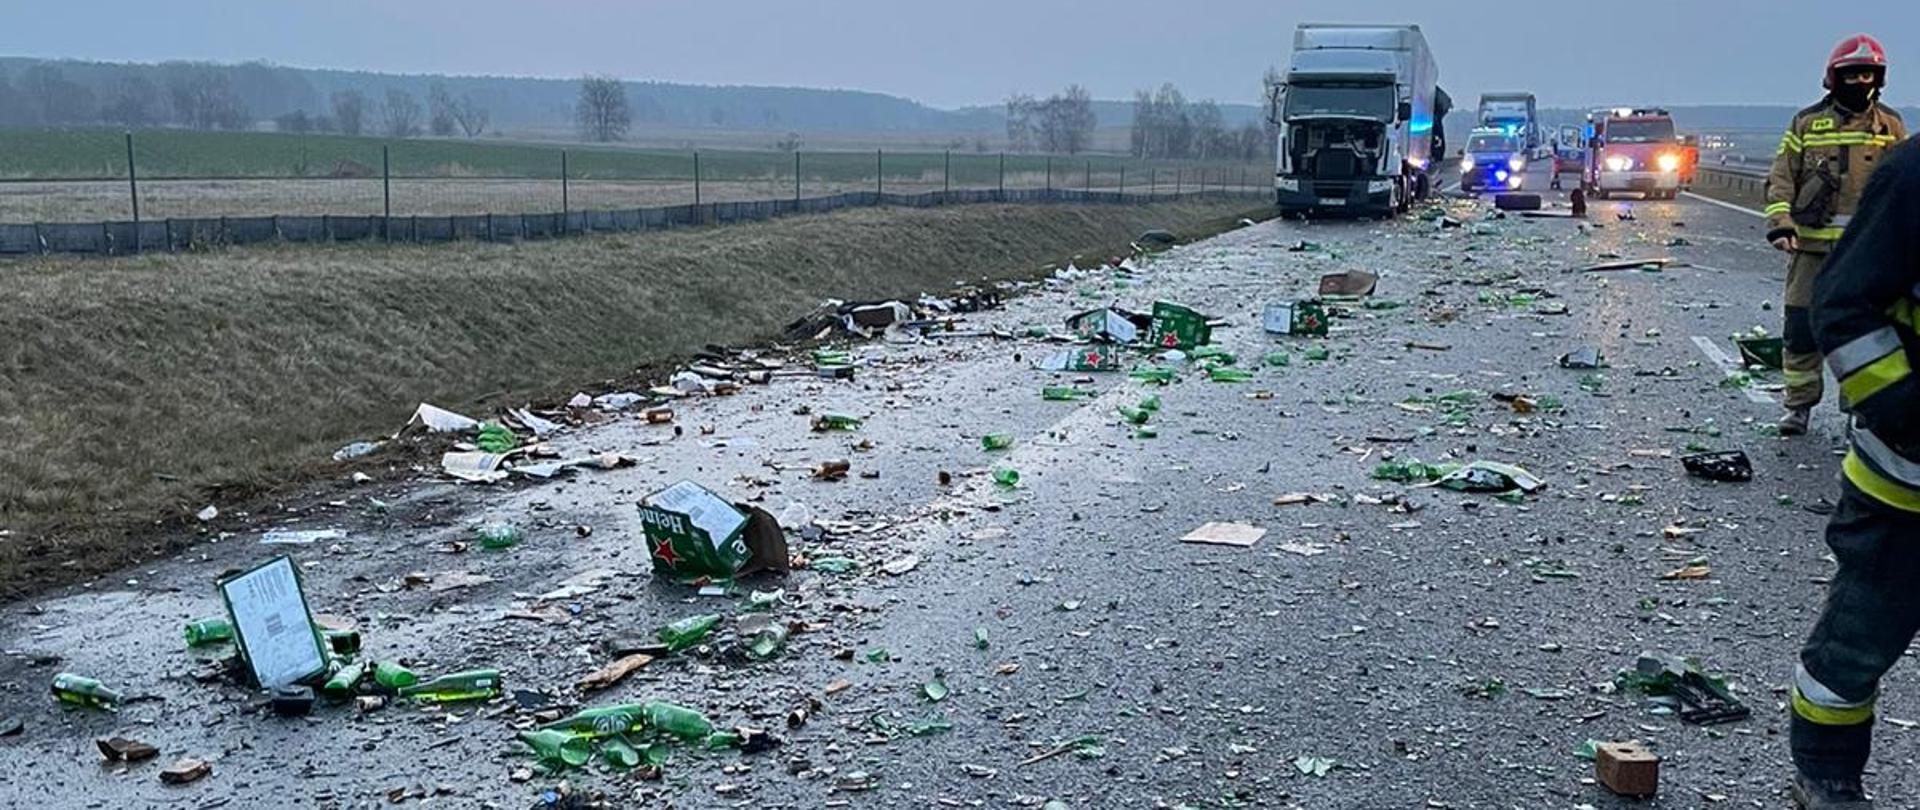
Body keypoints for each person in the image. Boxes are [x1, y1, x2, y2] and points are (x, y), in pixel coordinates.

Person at [1787, 130, 1920, 810]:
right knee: (1855, 647)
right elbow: (1843, 302)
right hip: (1907, 489)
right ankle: (1827, 773)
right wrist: (1906, 408)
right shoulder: (1914, 172)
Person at [1764, 34, 1905, 436]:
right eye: (1852, 74)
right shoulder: (1807, 123)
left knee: (1864, 335)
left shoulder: (1890, 126)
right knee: (1801, 329)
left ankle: (1859, 412)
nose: (1861, 81)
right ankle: (1798, 408)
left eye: (1868, 74)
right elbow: (1781, 179)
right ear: (1834, 78)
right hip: (1809, 249)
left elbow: (1904, 187)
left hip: (1865, 255)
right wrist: (1780, 225)